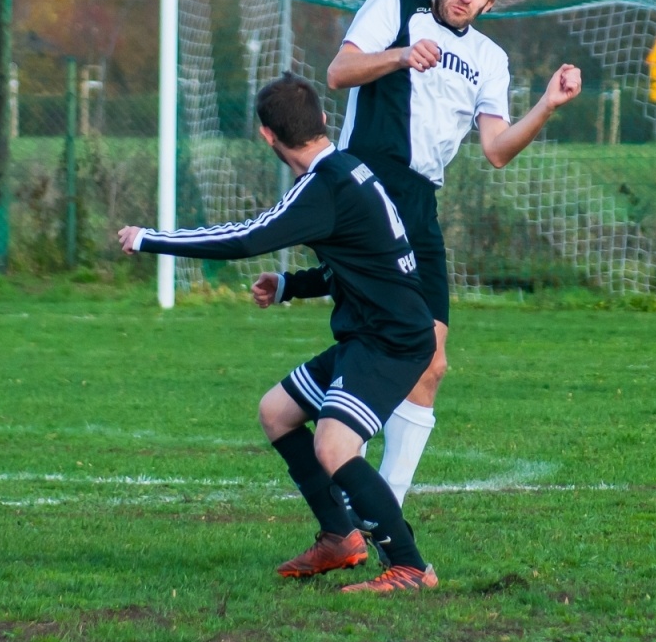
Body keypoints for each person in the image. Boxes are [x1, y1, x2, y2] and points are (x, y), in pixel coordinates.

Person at [121, 72, 440, 592]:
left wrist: (148, 239)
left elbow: (247, 238)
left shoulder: (324, 185)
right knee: (277, 412)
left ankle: (409, 567)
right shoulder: (346, 169)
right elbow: (361, 261)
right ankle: (340, 538)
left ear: (267, 135)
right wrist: (292, 284)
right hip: (372, 330)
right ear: (320, 121)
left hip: (390, 340)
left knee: (335, 448)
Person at [328, 0, 581, 505]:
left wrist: (547, 105)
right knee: (375, 349)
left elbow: (495, 149)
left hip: (419, 200)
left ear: (490, 2)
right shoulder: (393, 4)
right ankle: (354, 509)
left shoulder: (491, 58)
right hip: (365, 186)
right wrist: (399, 56)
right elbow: (337, 73)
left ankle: (377, 507)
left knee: (431, 361)